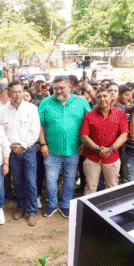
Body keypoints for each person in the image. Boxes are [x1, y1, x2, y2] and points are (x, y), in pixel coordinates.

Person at [39, 75, 90, 218]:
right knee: (50, 180)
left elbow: (89, 123)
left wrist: (85, 143)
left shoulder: (81, 102)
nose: (58, 91)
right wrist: (43, 144)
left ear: (70, 87)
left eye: (61, 88)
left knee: (69, 179)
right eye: (55, 88)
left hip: (73, 150)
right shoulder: (46, 103)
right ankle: (53, 204)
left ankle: (66, 205)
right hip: (51, 151)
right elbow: (40, 125)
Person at [1, 81, 41, 226]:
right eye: (14, 92)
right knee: (17, 181)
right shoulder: (4, 110)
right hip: (12, 151)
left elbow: (35, 130)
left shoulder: (31, 108)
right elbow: (2, 131)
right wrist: (12, 146)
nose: (17, 94)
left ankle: (32, 211)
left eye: (20, 91)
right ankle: (21, 207)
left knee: (30, 181)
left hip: (28, 150)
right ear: (9, 94)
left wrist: (23, 145)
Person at [80, 88, 128, 194]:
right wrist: (98, 148)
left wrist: (110, 149)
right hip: (92, 157)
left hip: (112, 157)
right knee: (90, 187)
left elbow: (124, 135)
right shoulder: (89, 115)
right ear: (96, 99)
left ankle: (111, 210)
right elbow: (84, 136)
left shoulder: (120, 113)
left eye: (105, 96)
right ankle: (88, 210)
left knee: (112, 187)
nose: (102, 99)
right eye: (99, 97)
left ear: (110, 98)